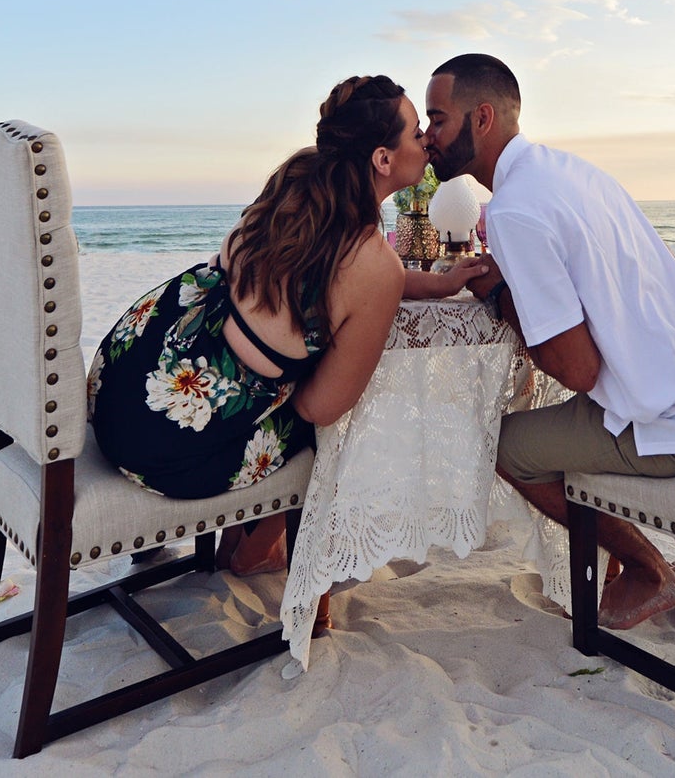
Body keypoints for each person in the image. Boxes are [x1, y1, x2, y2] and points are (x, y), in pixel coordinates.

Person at [89, 74, 487, 577]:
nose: (427, 140)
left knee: (272, 370)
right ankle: (256, 551)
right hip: (164, 448)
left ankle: (244, 536)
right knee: (335, 418)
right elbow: (322, 406)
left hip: (119, 376)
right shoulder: (372, 266)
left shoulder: (301, 182)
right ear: (382, 160)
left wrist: (432, 284)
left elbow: (331, 275)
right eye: (415, 133)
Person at [424, 53, 675, 631]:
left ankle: (649, 568)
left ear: (481, 119)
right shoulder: (572, 172)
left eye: (437, 119)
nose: (428, 138)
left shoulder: (514, 211)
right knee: (639, 366)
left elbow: (576, 370)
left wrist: (500, 296)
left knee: (507, 448)